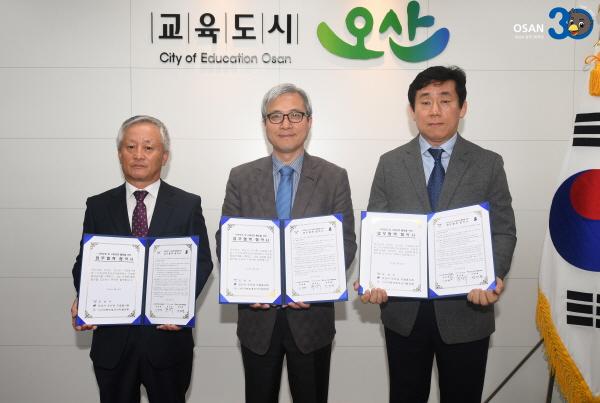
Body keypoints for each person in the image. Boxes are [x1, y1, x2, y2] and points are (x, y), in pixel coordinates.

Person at [356, 66, 517, 403]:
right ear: (412, 110)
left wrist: (493, 276)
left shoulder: (488, 163)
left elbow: (503, 229)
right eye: (425, 101)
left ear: (463, 107)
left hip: (467, 309)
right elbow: (378, 230)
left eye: (445, 100)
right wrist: (372, 276)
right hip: (404, 313)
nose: (434, 110)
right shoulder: (390, 163)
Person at [216, 83, 357, 403]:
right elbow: (227, 238)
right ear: (264, 123)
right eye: (276, 116)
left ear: (309, 120)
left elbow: (346, 242)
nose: (286, 124)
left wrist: (316, 287)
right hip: (257, 321)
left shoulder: (333, 177)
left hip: (311, 321)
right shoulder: (241, 177)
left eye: (295, 115)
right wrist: (246, 286)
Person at [70, 115, 213, 403]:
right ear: (119, 153)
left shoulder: (187, 205)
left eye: (148, 147)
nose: (138, 155)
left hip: (167, 340)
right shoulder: (98, 205)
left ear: (165, 156)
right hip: (113, 341)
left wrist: (180, 306)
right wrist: (83, 298)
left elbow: (202, 263)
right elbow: (85, 262)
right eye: (130, 147)